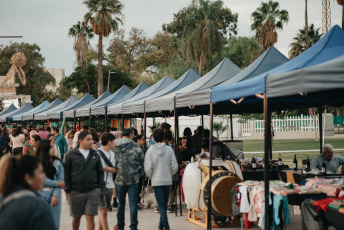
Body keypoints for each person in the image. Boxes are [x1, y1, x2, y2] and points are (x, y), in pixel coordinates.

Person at [0, 155, 55, 229]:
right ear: (28, 178)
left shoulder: (3, 199)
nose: (45, 176)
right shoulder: (37, 206)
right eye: (41, 172)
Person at [63, 131, 104, 230]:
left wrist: (100, 187)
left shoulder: (95, 154)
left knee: (90, 217)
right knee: (76, 218)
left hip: (92, 191)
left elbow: (100, 172)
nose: (91, 141)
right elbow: (66, 173)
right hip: (75, 191)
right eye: (88, 139)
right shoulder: (70, 154)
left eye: (91, 139)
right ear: (81, 141)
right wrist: (67, 190)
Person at [144, 128, 178, 230]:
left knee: (161, 205)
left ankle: (166, 226)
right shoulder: (169, 150)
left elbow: (148, 169)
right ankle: (161, 225)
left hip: (156, 181)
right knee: (163, 203)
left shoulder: (150, 151)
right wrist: (169, 173)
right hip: (167, 180)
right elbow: (175, 166)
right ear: (163, 138)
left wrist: (151, 176)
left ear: (153, 138)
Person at [114, 128, 144, 230]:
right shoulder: (136, 146)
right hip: (133, 179)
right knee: (133, 205)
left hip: (119, 178)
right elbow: (142, 163)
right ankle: (133, 227)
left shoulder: (115, 145)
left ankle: (120, 225)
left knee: (121, 205)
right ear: (131, 135)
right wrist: (138, 174)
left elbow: (112, 162)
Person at [35, 140, 65, 230]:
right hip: (39, 195)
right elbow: (40, 180)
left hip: (54, 195)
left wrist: (55, 195)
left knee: (54, 224)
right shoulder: (36, 162)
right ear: (45, 149)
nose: (54, 149)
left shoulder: (58, 162)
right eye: (51, 147)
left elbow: (61, 180)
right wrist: (57, 183)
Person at [97, 132, 117, 230]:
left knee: (103, 212)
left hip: (110, 185)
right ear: (109, 142)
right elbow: (94, 168)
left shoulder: (112, 154)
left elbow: (113, 167)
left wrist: (117, 169)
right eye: (114, 142)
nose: (115, 144)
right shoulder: (97, 153)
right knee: (103, 211)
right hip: (100, 185)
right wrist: (107, 169)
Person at [134, 134, 145, 209]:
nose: (144, 141)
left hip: (139, 170)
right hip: (137, 170)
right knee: (137, 187)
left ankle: (138, 201)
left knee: (139, 186)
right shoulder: (136, 148)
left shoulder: (140, 148)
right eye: (142, 139)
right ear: (138, 140)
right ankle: (136, 202)